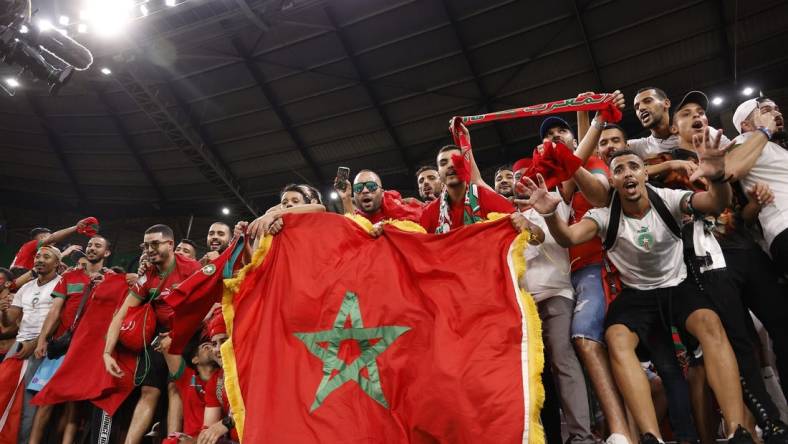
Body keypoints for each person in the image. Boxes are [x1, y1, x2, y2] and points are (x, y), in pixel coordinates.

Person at [521, 137, 756, 443]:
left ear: (645, 173)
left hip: (678, 285)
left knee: (710, 323)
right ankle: (649, 434)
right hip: (638, 294)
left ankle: (737, 429)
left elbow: (715, 203)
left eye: (634, 166)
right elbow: (567, 238)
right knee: (616, 337)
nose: (628, 173)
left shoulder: (669, 199)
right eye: (619, 170)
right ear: (612, 180)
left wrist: (716, 177)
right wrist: (551, 214)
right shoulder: (603, 215)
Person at [667, 91, 788, 442]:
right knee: (742, 342)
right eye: (686, 113)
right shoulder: (665, 162)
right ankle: (771, 422)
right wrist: (669, 166)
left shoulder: (724, 154)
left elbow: (737, 215)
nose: (696, 116)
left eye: (700, 112)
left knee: (782, 323)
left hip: (746, 249)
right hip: (706, 260)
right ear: (675, 129)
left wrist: (754, 205)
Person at [539, 112, 634, 444]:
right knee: (591, 349)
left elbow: (594, 190)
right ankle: (616, 429)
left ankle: (620, 430)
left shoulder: (593, 165)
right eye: (548, 135)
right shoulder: (551, 183)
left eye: (560, 132)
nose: (555, 137)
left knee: (584, 339)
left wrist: (590, 118)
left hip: (600, 268)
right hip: (574, 275)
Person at [102, 224, 201, 444]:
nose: (149, 250)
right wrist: (107, 353)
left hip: (185, 335)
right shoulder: (148, 275)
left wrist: (175, 336)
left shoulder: (191, 268)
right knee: (148, 390)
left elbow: (204, 309)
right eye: (146, 245)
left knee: (175, 387)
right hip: (159, 337)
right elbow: (121, 314)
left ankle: (173, 441)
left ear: (170, 244)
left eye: (155, 244)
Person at [517, 186, 596, 444]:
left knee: (563, 360)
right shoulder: (502, 214)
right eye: (505, 178)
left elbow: (573, 161)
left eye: (519, 176)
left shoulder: (554, 200)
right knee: (531, 374)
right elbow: (473, 181)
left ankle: (581, 437)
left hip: (555, 293)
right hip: (521, 304)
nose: (515, 181)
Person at [29, 236, 112, 444]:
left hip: (86, 352)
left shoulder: (111, 279)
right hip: (62, 346)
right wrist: (42, 339)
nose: (92, 248)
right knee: (46, 401)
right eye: (90, 245)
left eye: (97, 246)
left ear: (107, 253)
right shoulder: (69, 277)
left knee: (73, 405)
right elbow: (55, 310)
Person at [0, 246, 62, 443]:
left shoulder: (62, 284)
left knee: (29, 403)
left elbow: (59, 319)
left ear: (57, 264)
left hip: (43, 347)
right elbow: (10, 320)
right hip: (20, 344)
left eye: (46, 256)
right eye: (37, 256)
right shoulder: (26, 287)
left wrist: (37, 342)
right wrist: (3, 311)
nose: (40, 259)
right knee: (3, 391)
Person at [728, 97, 788, 276]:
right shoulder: (744, 140)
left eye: (776, 108)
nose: (776, 113)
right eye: (766, 110)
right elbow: (730, 169)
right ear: (745, 125)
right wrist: (765, 130)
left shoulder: (777, 147)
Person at [419, 145, 515, 233]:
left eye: (456, 160)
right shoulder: (429, 212)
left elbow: (517, 225)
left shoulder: (488, 197)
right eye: (443, 163)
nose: (450, 165)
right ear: (439, 173)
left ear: (466, 166)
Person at [197, 311, 236, 444]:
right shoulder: (216, 380)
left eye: (224, 341)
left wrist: (227, 423)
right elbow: (209, 428)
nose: (218, 349)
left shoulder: (256, 371)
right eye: (214, 344)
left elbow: (259, 412)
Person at [335, 169, 423, 225]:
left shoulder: (402, 208)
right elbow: (352, 231)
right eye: (358, 188)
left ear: (382, 192)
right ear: (354, 195)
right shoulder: (356, 218)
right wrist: (346, 198)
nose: (365, 191)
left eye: (371, 186)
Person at [9, 219, 94, 273]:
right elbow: (53, 238)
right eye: (48, 237)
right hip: (18, 278)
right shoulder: (32, 244)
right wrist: (76, 227)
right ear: (42, 238)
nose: (54, 242)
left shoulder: (38, 254)